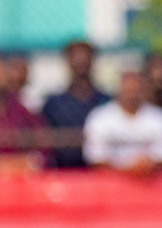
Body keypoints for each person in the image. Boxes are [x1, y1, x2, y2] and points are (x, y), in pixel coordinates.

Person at [83, 68, 162, 177]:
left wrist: (145, 166)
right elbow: (96, 158)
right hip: (111, 184)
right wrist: (128, 170)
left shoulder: (159, 118)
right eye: (128, 91)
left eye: (136, 91)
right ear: (119, 90)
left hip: (151, 182)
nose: (132, 96)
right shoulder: (99, 118)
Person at [41, 41, 110, 170]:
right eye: (75, 56)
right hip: (65, 173)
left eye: (85, 56)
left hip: (102, 173)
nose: (81, 61)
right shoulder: (53, 104)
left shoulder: (107, 102)